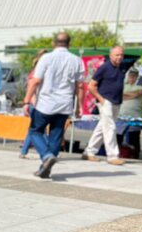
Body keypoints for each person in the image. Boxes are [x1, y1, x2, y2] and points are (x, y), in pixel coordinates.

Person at [24, 32, 84, 179]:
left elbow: (36, 81)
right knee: (56, 137)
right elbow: (80, 86)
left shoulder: (46, 58)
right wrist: (79, 107)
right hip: (64, 105)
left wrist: (26, 100)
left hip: (45, 104)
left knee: (35, 131)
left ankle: (46, 156)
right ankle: (45, 169)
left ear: (53, 43)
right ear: (69, 44)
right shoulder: (77, 60)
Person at [83, 46, 127, 165]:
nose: (120, 57)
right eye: (117, 55)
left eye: (122, 55)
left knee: (102, 127)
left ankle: (89, 152)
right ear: (111, 55)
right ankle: (112, 156)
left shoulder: (122, 68)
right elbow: (91, 85)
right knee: (110, 128)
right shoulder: (104, 67)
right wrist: (102, 100)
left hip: (117, 101)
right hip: (106, 101)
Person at [19, 49, 48, 159]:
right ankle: (48, 152)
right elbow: (32, 87)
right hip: (35, 104)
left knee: (34, 129)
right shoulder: (36, 72)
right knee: (40, 129)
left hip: (39, 103)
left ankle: (24, 151)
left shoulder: (42, 70)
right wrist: (35, 103)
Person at [118, 66, 142, 158]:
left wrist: (126, 95)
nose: (132, 78)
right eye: (130, 76)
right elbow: (119, 95)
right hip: (122, 115)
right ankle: (118, 153)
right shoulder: (124, 86)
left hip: (135, 116)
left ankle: (135, 155)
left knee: (134, 137)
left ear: (137, 77)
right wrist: (131, 95)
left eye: (134, 76)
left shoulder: (141, 85)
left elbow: (138, 94)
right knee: (119, 135)